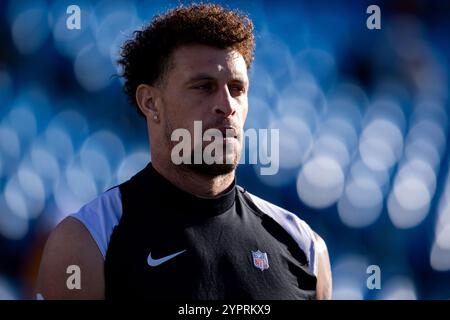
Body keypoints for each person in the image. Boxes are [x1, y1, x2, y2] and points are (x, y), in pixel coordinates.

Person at [36, 3, 332, 300]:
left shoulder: (304, 248)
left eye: (237, 89)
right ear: (151, 103)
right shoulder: (88, 242)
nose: (227, 106)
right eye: (204, 87)